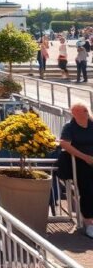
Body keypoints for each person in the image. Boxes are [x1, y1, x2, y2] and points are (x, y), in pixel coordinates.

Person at [60, 102, 93, 238]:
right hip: (80, 163)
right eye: (79, 111)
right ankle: (88, 222)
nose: (83, 114)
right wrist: (84, 157)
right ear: (73, 113)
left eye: (85, 111)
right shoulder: (69, 127)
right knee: (87, 191)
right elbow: (64, 143)